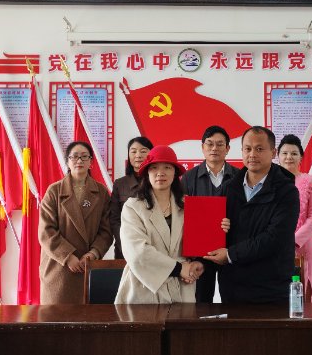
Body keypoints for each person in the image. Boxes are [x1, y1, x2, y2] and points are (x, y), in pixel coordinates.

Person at [115, 145, 229, 304]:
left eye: (167, 167)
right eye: (154, 168)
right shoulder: (133, 207)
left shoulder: (188, 205)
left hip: (182, 288)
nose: (160, 173)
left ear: (175, 172)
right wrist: (179, 269)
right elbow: (138, 253)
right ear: (147, 173)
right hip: (143, 289)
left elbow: (201, 244)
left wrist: (218, 229)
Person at [204, 126, 300, 303]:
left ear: (273, 153)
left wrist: (231, 255)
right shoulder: (229, 187)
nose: (252, 154)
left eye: (259, 149)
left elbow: (275, 238)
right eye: (248, 149)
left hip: (271, 290)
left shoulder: (287, 191)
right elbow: (215, 231)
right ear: (242, 151)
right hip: (232, 289)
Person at [38, 141, 113, 304]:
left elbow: (106, 231)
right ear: (67, 161)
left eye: (84, 157)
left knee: (87, 315)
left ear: (91, 161)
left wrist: (93, 253)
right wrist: (67, 256)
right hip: (58, 267)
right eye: (74, 157)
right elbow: (46, 231)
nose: (79, 161)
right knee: (56, 316)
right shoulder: (54, 191)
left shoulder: (101, 192)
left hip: (88, 266)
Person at [181, 125, 239, 302]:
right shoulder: (188, 178)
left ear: (227, 149)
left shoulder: (239, 177)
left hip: (230, 250)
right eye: (210, 143)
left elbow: (245, 212)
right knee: (200, 303)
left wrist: (233, 222)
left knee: (233, 302)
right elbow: (182, 214)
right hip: (199, 254)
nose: (214, 148)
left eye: (220, 144)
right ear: (202, 147)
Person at [278, 134, 312, 303]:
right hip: (276, 246)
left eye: (294, 153)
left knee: (304, 296)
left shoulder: (311, 181)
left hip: (303, 247)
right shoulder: (271, 183)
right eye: (285, 153)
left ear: (301, 157)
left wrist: (293, 241)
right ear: (278, 156)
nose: (289, 157)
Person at [109, 137, 153, 259]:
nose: (138, 155)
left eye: (143, 151)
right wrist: (125, 244)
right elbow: (114, 219)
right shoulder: (120, 184)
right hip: (125, 249)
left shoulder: (159, 181)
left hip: (155, 248)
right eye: (133, 151)